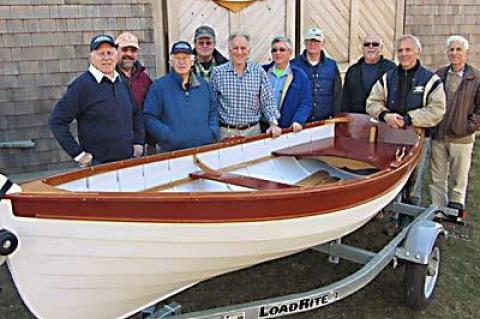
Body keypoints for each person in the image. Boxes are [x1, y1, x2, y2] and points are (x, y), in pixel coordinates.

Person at [366, 34, 446, 205]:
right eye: (400, 50)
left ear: (418, 52)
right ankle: (392, 214)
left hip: (418, 137)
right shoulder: (388, 78)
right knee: (391, 176)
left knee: (414, 179)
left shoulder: (431, 80)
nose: (404, 54)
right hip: (391, 136)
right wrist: (384, 115)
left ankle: (408, 216)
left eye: (408, 50)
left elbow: (437, 110)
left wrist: (409, 119)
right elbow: (372, 102)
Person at [49, 34, 144, 166]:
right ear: (91, 57)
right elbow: (57, 121)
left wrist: (138, 142)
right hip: (98, 166)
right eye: (101, 54)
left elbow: (136, 113)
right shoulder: (81, 86)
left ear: (116, 54)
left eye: (110, 53)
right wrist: (78, 154)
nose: (106, 58)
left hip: (127, 162)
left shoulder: (121, 81)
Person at [430, 35, 480, 214]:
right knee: (437, 176)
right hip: (440, 135)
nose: (454, 53)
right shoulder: (440, 75)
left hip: (462, 137)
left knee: (459, 177)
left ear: (467, 52)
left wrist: (467, 126)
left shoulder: (476, 77)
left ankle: (456, 207)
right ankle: (438, 209)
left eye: (459, 49)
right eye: (451, 49)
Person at [143, 41, 218, 152]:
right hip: (172, 153)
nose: (181, 62)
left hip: (203, 150)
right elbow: (149, 117)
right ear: (171, 62)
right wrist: (166, 135)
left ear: (192, 61)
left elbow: (213, 111)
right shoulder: (159, 87)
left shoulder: (204, 86)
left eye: (185, 58)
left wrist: (211, 132)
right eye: (177, 58)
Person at [210, 31, 281, 139]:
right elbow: (212, 105)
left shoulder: (259, 72)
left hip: (253, 132)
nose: (239, 52)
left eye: (243, 48)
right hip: (225, 133)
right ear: (229, 50)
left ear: (249, 50)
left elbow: (268, 102)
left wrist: (273, 124)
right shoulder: (217, 73)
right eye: (235, 48)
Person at [115, 31, 155, 154]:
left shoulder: (144, 79)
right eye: (124, 50)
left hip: (140, 144)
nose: (129, 54)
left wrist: (151, 141)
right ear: (116, 51)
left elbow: (151, 111)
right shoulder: (108, 77)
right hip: (115, 144)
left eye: (133, 50)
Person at [261, 36, 312, 132]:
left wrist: (298, 120)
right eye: (274, 50)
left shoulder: (299, 75)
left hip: (287, 129)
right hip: (263, 127)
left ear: (290, 53)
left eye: (282, 50)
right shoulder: (262, 72)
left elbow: (306, 102)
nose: (278, 53)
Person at [291, 27, 342, 121]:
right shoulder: (294, 65)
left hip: (325, 121)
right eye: (309, 40)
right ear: (305, 43)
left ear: (323, 43)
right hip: (300, 122)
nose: (312, 44)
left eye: (317, 41)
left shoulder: (332, 65)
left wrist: (336, 117)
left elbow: (337, 93)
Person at [341, 34, 396, 113]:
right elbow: (345, 99)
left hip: (382, 118)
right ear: (362, 48)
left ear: (381, 48)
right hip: (357, 119)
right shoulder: (352, 70)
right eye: (367, 44)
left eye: (375, 44)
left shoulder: (391, 68)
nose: (371, 47)